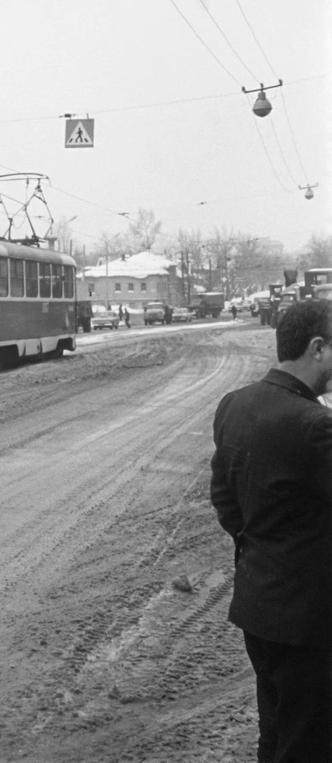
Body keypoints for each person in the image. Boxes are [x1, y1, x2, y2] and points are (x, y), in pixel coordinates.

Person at [210, 299, 332, 762]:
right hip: (309, 621)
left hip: (258, 607)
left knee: (276, 734)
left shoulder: (234, 405)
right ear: (317, 348)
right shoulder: (314, 425)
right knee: (310, 743)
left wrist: (262, 546)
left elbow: (224, 498)